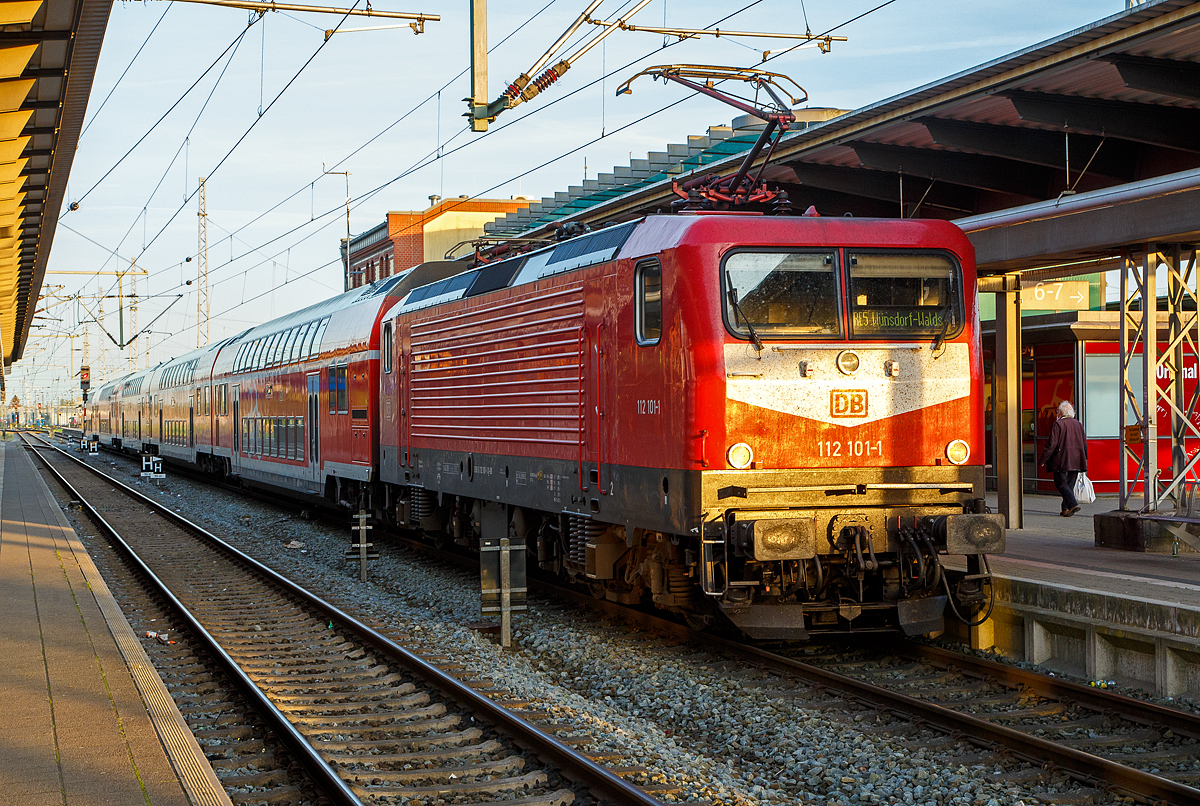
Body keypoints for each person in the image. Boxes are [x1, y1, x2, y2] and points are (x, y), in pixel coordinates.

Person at [1040, 400, 1088, 516]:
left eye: (1057, 411)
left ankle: (1073, 504)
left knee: (1060, 483)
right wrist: (1085, 456)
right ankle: (1065, 509)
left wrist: (1043, 459)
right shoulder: (1078, 424)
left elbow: (1052, 444)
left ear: (1061, 413)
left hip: (1061, 459)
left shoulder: (1058, 425)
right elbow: (1083, 442)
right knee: (1070, 484)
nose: (1057, 413)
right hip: (1077, 460)